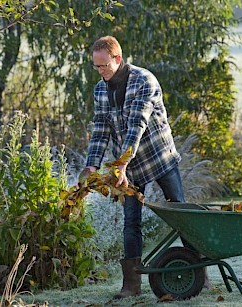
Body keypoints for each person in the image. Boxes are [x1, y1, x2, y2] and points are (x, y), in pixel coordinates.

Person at [81, 36, 186, 299]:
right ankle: (132, 285)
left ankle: (198, 274)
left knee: (182, 214)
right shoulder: (100, 89)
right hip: (128, 169)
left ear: (117, 58)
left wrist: (122, 164)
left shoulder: (143, 81)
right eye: (96, 67)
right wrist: (91, 165)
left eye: (104, 65)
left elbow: (136, 126)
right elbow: (101, 129)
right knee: (131, 223)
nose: (100, 71)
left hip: (158, 157)